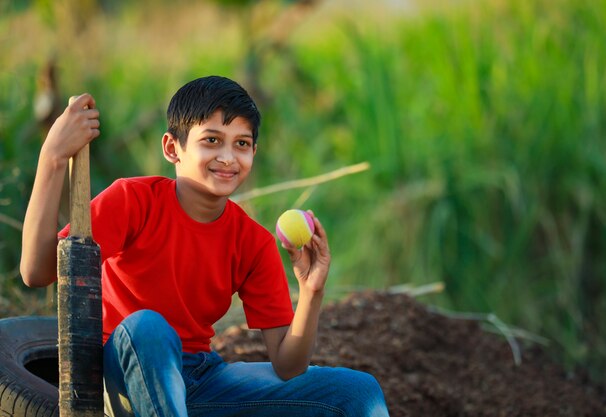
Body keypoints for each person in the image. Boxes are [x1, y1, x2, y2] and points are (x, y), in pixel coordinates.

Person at [20, 75, 389, 416]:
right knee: (148, 327)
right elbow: (35, 272)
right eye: (211, 140)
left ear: (253, 154)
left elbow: (288, 366)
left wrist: (311, 291)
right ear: (172, 148)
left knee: (359, 391)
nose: (228, 158)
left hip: (199, 379)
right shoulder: (132, 200)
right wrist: (53, 158)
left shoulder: (253, 243)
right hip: (121, 372)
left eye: (241, 144)